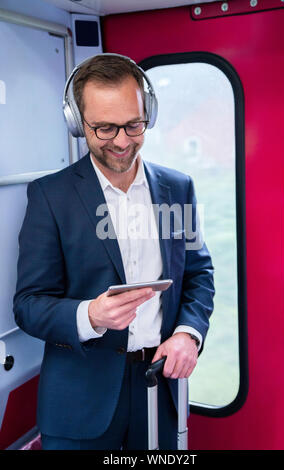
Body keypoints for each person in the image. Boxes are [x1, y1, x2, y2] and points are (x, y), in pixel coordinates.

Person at [13, 54, 214, 450]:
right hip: (79, 401)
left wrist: (188, 335)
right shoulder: (49, 196)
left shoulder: (179, 187)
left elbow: (198, 275)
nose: (122, 142)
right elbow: (28, 304)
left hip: (159, 389)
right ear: (77, 123)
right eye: (104, 128)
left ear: (148, 115)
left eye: (133, 124)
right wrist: (88, 315)